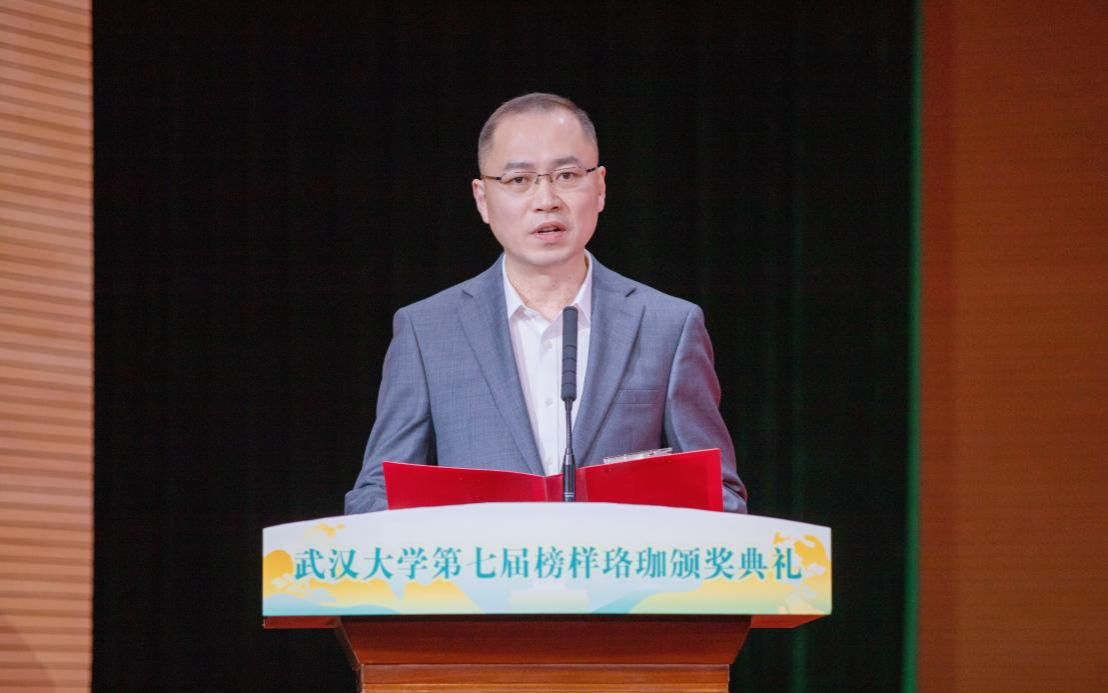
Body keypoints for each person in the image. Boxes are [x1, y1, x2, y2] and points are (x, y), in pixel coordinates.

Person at [345, 93, 747, 514]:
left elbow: (720, 495)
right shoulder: (428, 331)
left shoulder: (668, 325)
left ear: (600, 187)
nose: (546, 199)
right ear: (482, 199)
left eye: (567, 175)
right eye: (519, 180)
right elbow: (377, 494)